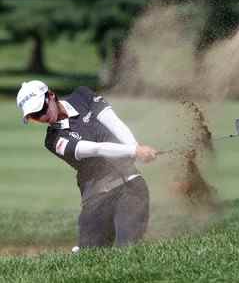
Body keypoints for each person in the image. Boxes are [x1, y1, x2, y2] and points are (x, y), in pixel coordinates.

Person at [16, 80, 157, 247]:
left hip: (130, 187)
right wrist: (134, 151)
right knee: (90, 254)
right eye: (34, 117)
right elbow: (96, 149)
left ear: (51, 96)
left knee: (127, 248)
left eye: (41, 109)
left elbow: (114, 123)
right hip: (95, 199)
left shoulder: (82, 96)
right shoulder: (53, 140)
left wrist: (136, 147)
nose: (42, 117)